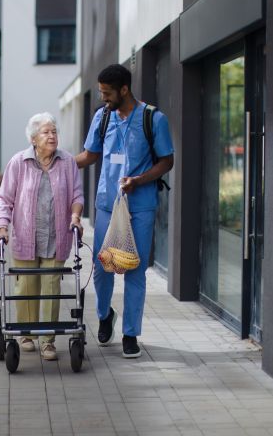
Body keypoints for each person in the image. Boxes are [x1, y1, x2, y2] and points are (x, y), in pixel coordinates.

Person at [75, 64, 174, 358]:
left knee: (134, 268)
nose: (103, 98)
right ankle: (105, 315)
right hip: (107, 203)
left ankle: (131, 333)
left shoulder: (153, 119)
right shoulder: (102, 117)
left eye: (107, 93)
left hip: (140, 205)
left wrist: (140, 180)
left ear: (124, 90)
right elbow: (91, 155)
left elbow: (167, 161)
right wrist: (59, 162)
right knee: (103, 264)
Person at [0, 112, 84, 361]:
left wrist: (75, 217)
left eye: (54, 131)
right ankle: (26, 334)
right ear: (34, 139)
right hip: (25, 236)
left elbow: (77, 196)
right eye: (46, 132)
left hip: (57, 237)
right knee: (25, 285)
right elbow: (5, 199)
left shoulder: (67, 162)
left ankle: (47, 340)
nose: (52, 136)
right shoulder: (18, 162)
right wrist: (2, 226)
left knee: (51, 287)